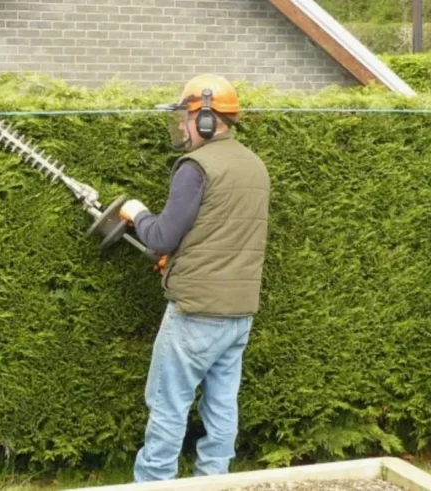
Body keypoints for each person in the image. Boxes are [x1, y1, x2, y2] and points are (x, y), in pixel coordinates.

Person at [118, 74, 271, 482]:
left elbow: (163, 235)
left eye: (185, 118)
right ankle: (214, 482)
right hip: (239, 314)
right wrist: (180, 260)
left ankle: (153, 485)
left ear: (205, 118)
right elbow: (220, 235)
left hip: (195, 314)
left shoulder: (196, 167)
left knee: (168, 404)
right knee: (222, 408)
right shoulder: (255, 166)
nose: (182, 128)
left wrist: (136, 214)